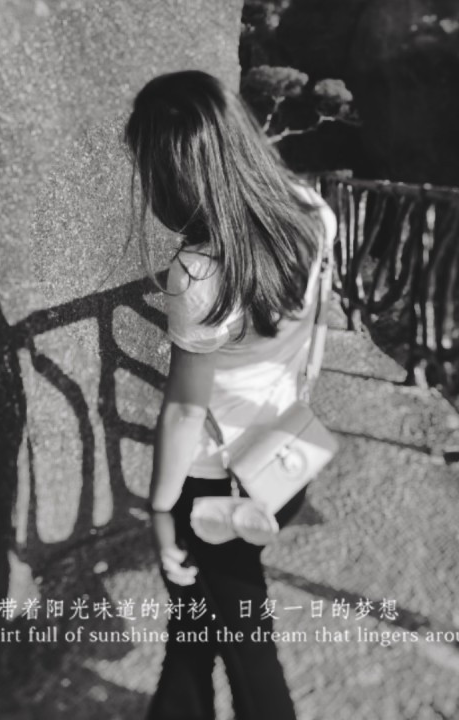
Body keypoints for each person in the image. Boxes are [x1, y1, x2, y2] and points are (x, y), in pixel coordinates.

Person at [124, 70, 338, 720]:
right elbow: (318, 331)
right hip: (281, 454)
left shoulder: (199, 273)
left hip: (214, 487)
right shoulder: (311, 211)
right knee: (196, 621)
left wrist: (161, 513)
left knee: (244, 643)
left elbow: (185, 409)